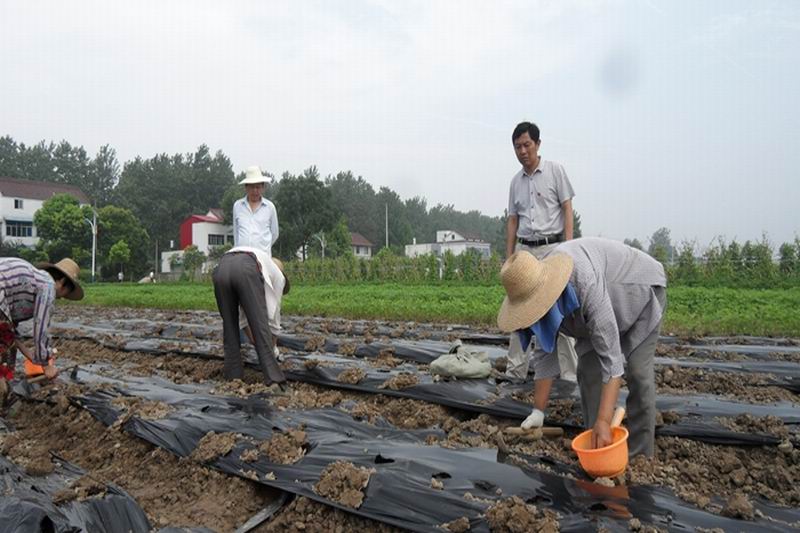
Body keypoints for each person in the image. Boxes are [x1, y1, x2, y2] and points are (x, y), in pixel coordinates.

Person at [496, 238, 666, 457]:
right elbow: (545, 354)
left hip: (639, 291)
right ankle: (596, 444)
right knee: (588, 371)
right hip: (596, 309)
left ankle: (640, 454)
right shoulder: (537, 288)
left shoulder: (584, 282)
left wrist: (605, 420)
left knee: (638, 372)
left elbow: (612, 363)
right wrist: (538, 411)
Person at [505, 121, 579, 382]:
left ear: (537, 144)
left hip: (553, 249)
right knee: (519, 312)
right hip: (526, 252)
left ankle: (569, 376)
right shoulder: (515, 182)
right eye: (518, 147)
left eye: (527, 145)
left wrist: (569, 247)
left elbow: (567, 209)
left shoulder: (555, 171)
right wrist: (510, 257)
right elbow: (513, 220)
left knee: (561, 311)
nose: (523, 151)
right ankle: (515, 372)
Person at [0, 258, 84, 401]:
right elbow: (41, 328)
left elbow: (10, 333)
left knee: (8, 346)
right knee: (4, 358)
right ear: (62, 282)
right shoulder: (48, 286)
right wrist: (46, 366)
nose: (61, 298)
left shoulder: (34, 280)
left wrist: (31, 356)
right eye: (65, 293)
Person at [212, 246, 289, 388]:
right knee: (261, 326)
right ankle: (275, 380)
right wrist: (272, 346)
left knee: (229, 327)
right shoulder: (278, 276)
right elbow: (274, 316)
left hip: (220, 269)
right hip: (246, 267)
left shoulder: (261, 260)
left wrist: (252, 339)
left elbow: (241, 318)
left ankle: (233, 378)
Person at [233, 165, 279, 256]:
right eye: (252, 187)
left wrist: (264, 246)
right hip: (242, 256)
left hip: (262, 257)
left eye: (258, 187)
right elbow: (236, 233)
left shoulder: (270, 207)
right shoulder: (237, 206)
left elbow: (274, 234)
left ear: (263, 188)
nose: (255, 191)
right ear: (246, 188)